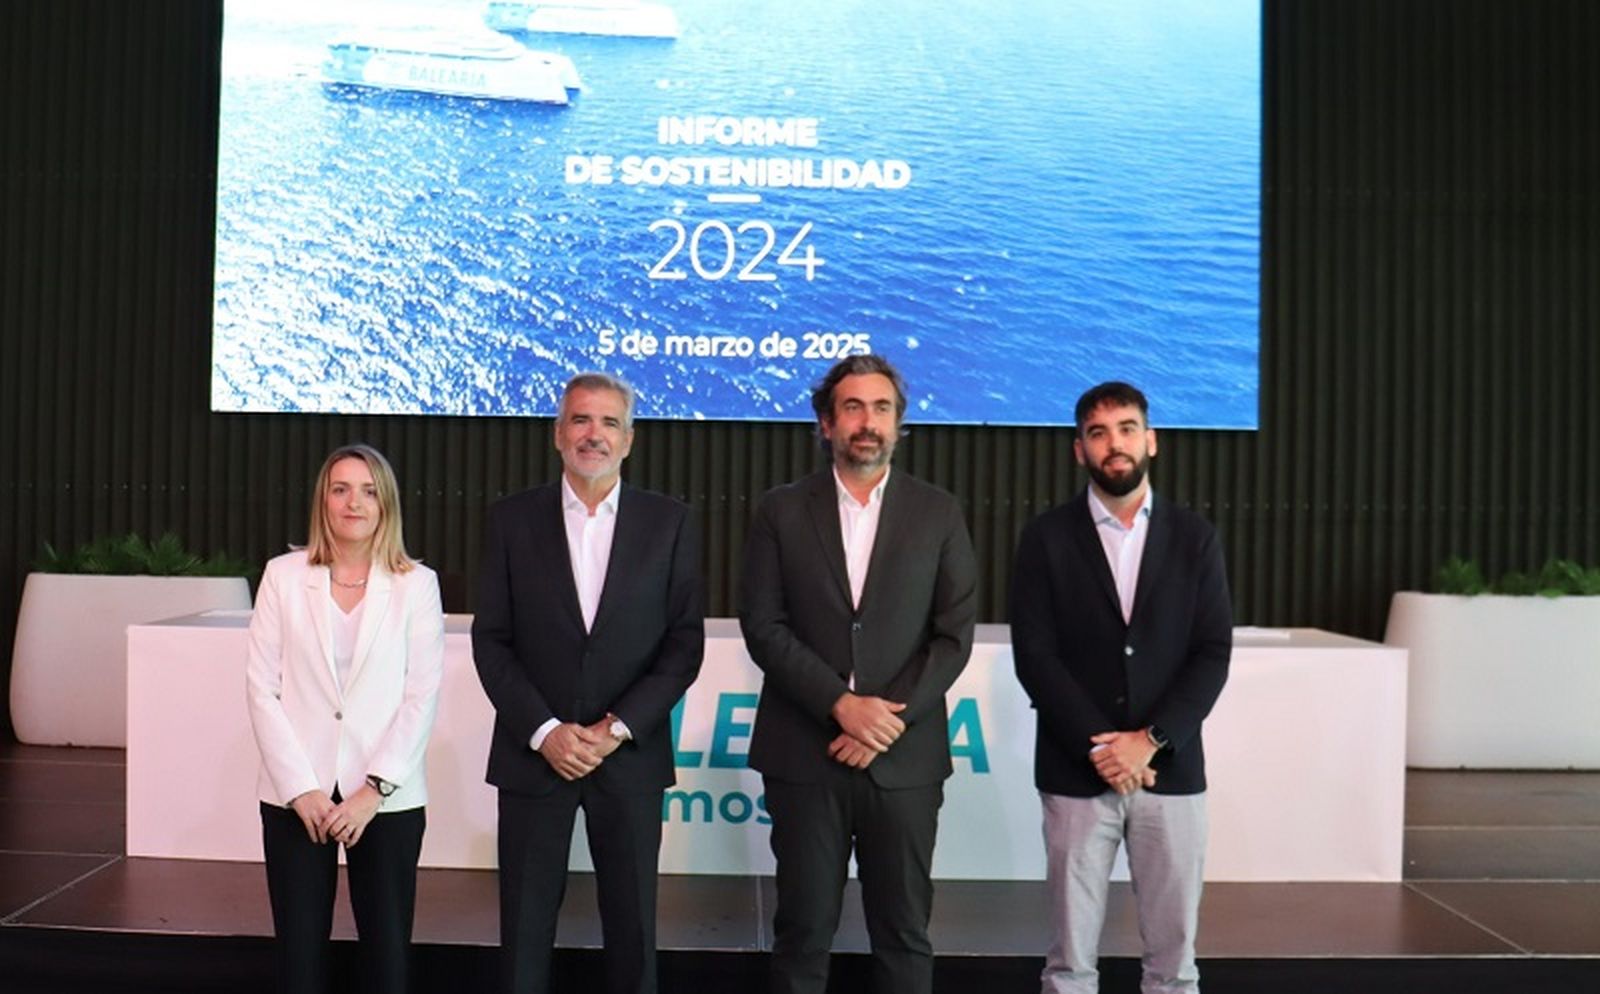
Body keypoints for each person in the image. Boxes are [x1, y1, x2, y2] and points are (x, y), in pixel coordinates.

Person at [738, 354, 978, 994]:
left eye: (880, 409)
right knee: (802, 933)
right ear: (825, 423)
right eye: (852, 408)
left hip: (905, 762)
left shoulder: (939, 512)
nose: (866, 423)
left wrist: (881, 718)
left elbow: (953, 635)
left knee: (903, 935)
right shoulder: (780, 511)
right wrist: (841, 706)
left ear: (899, 424)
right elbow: (763, 626)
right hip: (804, 755)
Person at [472, 371, 705, 994]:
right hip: (534, 758)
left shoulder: (670, 523)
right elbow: (490, 640)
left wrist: (617, 729)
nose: (593, 434)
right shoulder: (511, 520)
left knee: (632, 935)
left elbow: (684, 645)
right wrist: (546, 732)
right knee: (523, 935)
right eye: (580, 420)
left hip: (629, 759)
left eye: (608, 423)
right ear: (557, 435)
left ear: (629, 440)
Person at [1010, 381, 1232, 994]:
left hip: (1172, 773)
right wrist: (1104, 748)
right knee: (1069, 967)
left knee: (1174, 968)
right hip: (1076, 773)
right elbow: (1035, 654)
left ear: (1151, 441)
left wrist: (1152, 741)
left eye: (1127, 428)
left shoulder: (1195, 539)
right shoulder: (1046, 538)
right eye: (1099, 432)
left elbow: (1212, 652)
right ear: (1079, 449)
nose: (1116, 444)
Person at [245, 443, 446, 994]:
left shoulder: (416, 584)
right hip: (296, 797)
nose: (353, 502)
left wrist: (373, 790)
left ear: (386, 504)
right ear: (323, 501)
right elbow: (262, 689)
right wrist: (301, 790)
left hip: (384, 798)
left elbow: (421, 695)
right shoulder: (283, 576)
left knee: (386, 959)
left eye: (368, 490)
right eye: (340, 489)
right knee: (299, 960)